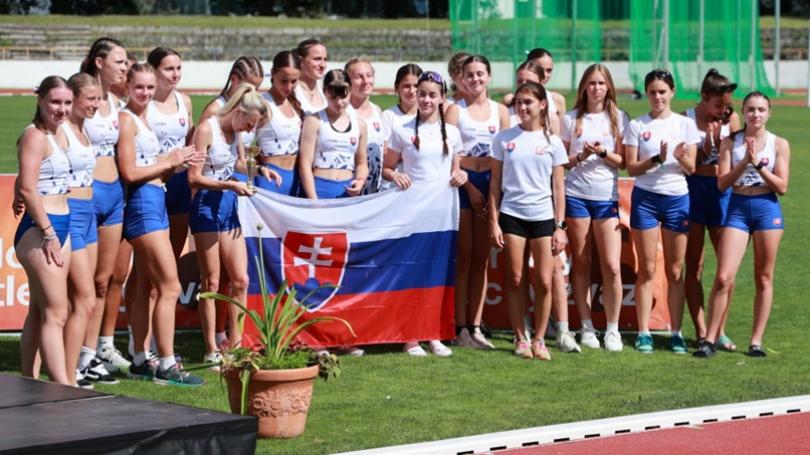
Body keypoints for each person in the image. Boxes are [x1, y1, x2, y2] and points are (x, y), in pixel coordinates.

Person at [117, 63, 205, 386]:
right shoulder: (127, 120)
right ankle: (166, 364)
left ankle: (141, 359)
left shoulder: (141, 120)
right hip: (143, 206)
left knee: (145, 285)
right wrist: (168, 162)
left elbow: (150, 168)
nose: (145, 93)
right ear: (127, 85)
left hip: (154, 201)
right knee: (170, 286)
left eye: (149, 88)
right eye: (139, 87)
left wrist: (174, 163)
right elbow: (128, 172)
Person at [695, 91, 790, 358]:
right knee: (724, 277)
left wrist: (759, 167)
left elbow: (782, 186)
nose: (755, 114)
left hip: (766, 210)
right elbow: (722, 183)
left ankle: (756, 341)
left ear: (769, 113)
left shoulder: (779, 144)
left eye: (761, 110)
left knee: (763, 277)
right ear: (743, 112)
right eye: (750, 109)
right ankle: (710, 339)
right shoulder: (730, 143)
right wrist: (745, 162)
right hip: (737, 209)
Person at [383, 70, 467, 357]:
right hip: (412, 214)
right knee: (414, 273)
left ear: (443, 98)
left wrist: (461, 176)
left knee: (438, 274)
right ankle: (410, 337)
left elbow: (456, 168)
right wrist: (395, 175)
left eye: (432, 95)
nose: (426, 99)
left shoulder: (453, 133)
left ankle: (434, 334)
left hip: (443, 214)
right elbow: (386, 167)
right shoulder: (402, 129)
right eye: (422, 94)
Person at [488, 81, 568, 360]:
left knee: (545, 281)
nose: (522, 107)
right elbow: (495, 184)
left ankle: (540, 339)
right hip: (512, 215)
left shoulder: (553, 142)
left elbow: (558, 188)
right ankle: (521, 337)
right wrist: (494, 222)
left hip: (543, 218)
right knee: (515, 277)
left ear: (542, 105)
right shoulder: (503, 139)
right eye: (519, 102)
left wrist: (560, 226)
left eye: (528, 102)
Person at [623, 69, 699, 354]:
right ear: (647, 93)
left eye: (662, 92)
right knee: (648, 269)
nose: (657, 97)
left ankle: (676, 332)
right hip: (645, 199)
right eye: (653, 92)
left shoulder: (684, 124)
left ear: (672, 92)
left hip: (677, 199)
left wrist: (680, 157)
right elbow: (631, 168)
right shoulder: (637, 125)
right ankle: (644, 333)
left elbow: (692, 168)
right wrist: (656, 158)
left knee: (675, 270)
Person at [190, 83, 265, 367]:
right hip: (206, 204)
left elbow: (238, 164)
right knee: (210, 281)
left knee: (241, 279)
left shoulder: (236, 133)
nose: (248, 129)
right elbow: (194, 178)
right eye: (249, 122)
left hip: (227, 204)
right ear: (237, 112)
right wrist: (229, 185)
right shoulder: (207, 129)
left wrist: (260, 169)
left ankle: (235, 347)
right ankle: (211, 349)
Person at [561, 64, 629, 352]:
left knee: (612, 266)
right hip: (576, 195)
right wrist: (581, 154)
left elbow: (624, 161)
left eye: (601, 83)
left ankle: (612, 329)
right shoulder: (570, 118)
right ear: (584, 88)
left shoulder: (619, 118)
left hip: (606, 197)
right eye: (591, 83)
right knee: (581, 262)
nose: (596, 88)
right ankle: (586, 325)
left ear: (609, 87)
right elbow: (562, 161)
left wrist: (602, 152)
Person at [58, 73, 120, 385]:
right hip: (70, 215)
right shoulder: (61, 131)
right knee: (76, 299)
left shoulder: (83, 131)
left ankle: (79, 364)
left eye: (98, 99)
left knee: (92, 292)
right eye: (90, 99)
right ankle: (66, 373)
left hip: (90, 208)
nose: (95, 104)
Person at [445, 55, 509, 349]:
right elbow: (451, 158)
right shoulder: (454, 110)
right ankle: (459, 327)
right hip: (463, 185)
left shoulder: (501, 111)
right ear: (462, 78)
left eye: (480, 74)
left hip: (491, 185)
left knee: (482, 260)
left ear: (489, 76)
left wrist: (495, 192)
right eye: (470, 75)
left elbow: (507, 156)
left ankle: (476, 325)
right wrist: (470, 187)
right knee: (465, 259)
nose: (475, 79)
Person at [79, 37, 132, 376]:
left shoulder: (115, 101)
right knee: (82, 285)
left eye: (126, 62)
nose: (124, 67)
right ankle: (77, 355)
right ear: (99, 62)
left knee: (105, 280)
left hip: (115, 196)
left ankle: (93, 352)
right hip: (86, 194)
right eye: (119, 61)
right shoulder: (80, 95)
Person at [16, 76, 73, 386]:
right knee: (56, 313)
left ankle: (28, 380)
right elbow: (28, 186)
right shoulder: (35, 135)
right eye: (55, 102)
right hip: (41, 229)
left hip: (59, 224)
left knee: (39, 311)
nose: (61, 109)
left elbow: (27, 178)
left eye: (66, 103)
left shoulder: (57, 134)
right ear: (39, 100)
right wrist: (49, 234)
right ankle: (62, 386)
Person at [682, 69, 740, 350]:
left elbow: (737, 158)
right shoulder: (686, 118)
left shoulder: (732, 120)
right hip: (693, 192)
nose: (723, 111)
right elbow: (689, 162)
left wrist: (722, 139)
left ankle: (720, 329)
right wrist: (707, 144)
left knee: (726, 268)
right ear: (704, 98)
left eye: (727, 105)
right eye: (718, 105)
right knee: (694, 265)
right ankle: (702, 328)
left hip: (723, 193)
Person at [299, 69, 368, 201]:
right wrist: (314, 201)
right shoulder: (314, 121)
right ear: (324, 92)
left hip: (347, 191)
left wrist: (359, 181)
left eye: (343, 97)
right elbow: (305, 164)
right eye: (333, 97)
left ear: (351, 91)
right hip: (320, 189)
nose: (339, 102)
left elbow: (362, 162)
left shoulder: (360, 125)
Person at [255, 50, 301, 196]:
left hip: (295, 180)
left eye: (294, 81)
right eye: (283, 80)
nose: (288, 87)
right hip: (270, 179)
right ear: (273, 73)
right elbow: (242, 143)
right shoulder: (260, 102)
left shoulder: (295, 104)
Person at [345, 57, 386, 195]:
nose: (366, 81)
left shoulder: (377, 111)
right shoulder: (344, 113)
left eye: (369, 75)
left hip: (375, 192)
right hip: (350, 191)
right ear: (348, 81)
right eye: (359, 77)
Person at [379, 63, 422, 191]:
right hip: (395, 186)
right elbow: (385, 154)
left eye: (416, 86)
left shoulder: (429, 116)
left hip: (421, 185)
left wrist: (400, 150)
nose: (412, 90)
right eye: (406, 86)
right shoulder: (389, 115)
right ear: (397, 88)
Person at [199, 56, 264, 124]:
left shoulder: (253, 110)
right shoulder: (214, 111)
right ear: (233, 79)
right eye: (248, 89)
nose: (253, 94)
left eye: (256, 89)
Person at [526, 48, 566, 132]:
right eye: (539, 69)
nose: (544, 75)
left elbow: (563, 137)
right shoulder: (511, 99)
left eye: (549, 70)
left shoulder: (558, 100)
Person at [294, 39, 328, 115]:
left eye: (325, 59)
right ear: (301, 61)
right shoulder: (291, 92)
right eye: (317, 59)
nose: (323, 65)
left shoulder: (326, 91)